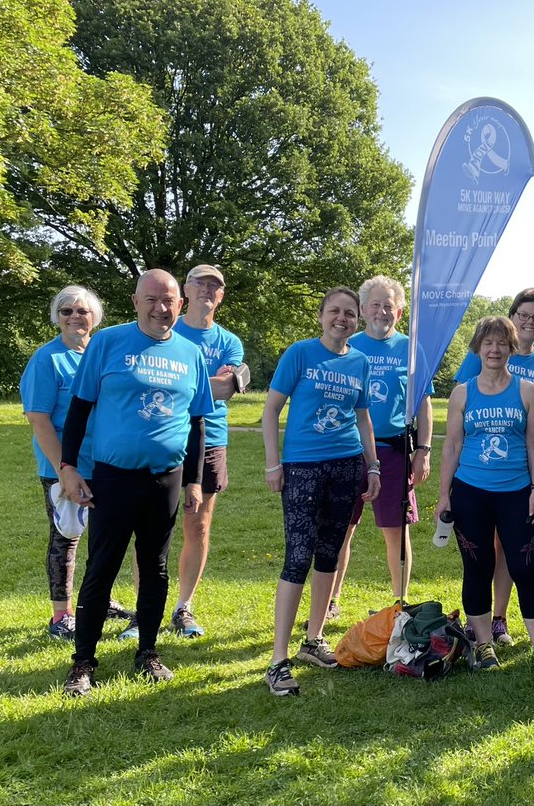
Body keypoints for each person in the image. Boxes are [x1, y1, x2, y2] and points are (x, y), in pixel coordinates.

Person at [57, 270, 215, 697]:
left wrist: (194, 481)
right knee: (102, 567)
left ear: (180, 305)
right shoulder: (108, 343)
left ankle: (147, 651)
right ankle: (83, 662)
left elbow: (197, 423)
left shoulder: (190, 353)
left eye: (169, 301)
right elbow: (79, 409)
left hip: (165, 478)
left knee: (156, 567)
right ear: (135, 301)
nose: (161, 308)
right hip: (113, 477)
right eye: (152, 299)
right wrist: (68, 468)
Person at [261, 287, 381, 698]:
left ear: (357, 320)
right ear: (321, 316)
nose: (342, 319)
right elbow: (271, 410)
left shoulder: (361, 361)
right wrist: (274, 464)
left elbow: (363, 418)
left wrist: (373, 465)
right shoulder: (300, 353)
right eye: (335, 311)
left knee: (330, 551)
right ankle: (278, 660)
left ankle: (313, 641)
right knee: (298, 554)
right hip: (302, 467)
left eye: (350, 313)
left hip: (347, 465)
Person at [436, 316, 534, 675]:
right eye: (488, 344)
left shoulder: (527, 390)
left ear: (511, 348)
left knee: (526, 568)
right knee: (478, 568)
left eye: (501, 344)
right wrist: (444, 496)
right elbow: (453, 446)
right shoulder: (463, 392)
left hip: (517, 492)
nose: (494, 350)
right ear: (478, 348)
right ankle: (484, 646)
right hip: (470, 492)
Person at [20, 286, 135, 640]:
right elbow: (39, 419)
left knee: (105, 537)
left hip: (106, 463)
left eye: (82, 311)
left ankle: (101, 600)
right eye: (66, 311)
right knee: (65, 537)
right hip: (64, 466)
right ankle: (61, 616)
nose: (74, 317)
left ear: (94, 318)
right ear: (57, 317)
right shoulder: (47, 360)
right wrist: (64, 470)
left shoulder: (102, 354)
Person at [331, 276, 433, 612]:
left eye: (388, 305)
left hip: (393, 451)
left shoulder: (411, 347)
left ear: (399, 312)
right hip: (348, 449)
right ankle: (330, 600)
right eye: (375, 304)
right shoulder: (349, 346)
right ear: (362, 309)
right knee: (341, 529)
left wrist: (424, 450)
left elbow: (423, 404)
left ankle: (399, 603)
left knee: (396, 530)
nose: (382, 311)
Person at [169, 264, 246, 638]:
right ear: (185, 290)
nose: (206, 290)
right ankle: (141, 608)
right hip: (163, 435)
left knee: (197, 525)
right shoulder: (166, 330)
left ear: (221, 296)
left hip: (211, 440)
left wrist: (176, 381)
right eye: (200, 283)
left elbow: (225, 389)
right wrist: (206, 383)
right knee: (153, 525)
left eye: (214, 286)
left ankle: (184, 606)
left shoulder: (229, 342)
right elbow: (212, 386)